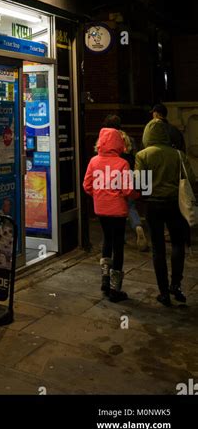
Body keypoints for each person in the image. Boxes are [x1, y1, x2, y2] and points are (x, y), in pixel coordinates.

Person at [135, 118, 196, 306]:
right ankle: (176, 284)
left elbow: (139, 184)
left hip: (153, 206)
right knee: (178, 244)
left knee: (158, 248)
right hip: (174, 205)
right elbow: (191, 179)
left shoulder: (142, 155)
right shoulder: (178, 154)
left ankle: (163, 292)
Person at [84, 128, 140, 302]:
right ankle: (116, 289)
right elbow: (127, 190)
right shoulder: (122, 163)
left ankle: (105, 280)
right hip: (118, 210)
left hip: (101, 209)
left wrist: (100, 195)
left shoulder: (93, 161)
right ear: (118, 143)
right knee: (118, 245)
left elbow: (87, 186)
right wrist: (137, 194)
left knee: (106, 240)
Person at [99, 115, 149, 251]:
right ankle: (138, 226)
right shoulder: (129, 139)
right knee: (130, 206)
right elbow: (137, 157)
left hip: (111, 176)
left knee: (112, 207)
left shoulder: (104, 139)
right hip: (129, 173)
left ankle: (114, 239)